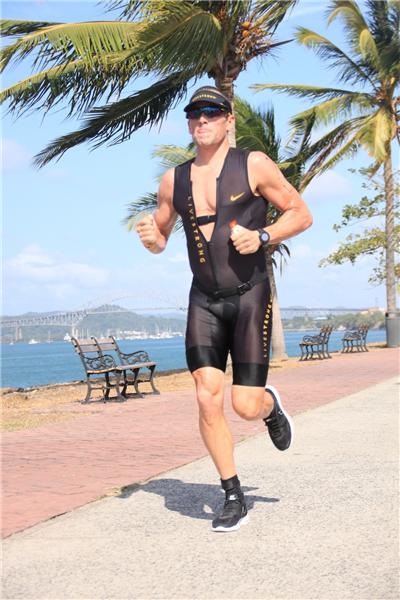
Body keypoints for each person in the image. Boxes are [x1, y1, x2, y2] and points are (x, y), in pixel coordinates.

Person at [136, 86, 313, 532]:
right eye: (194, 112)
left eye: (212, 112)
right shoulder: (173, 180)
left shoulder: (253, 164)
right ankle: (232, 494)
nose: (202, 119)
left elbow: (301, 212)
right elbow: (160, 236)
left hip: (250, 296)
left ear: (228, 120)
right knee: (205, 394)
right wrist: (152, 239)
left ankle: (269, 408)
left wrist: (264, 236)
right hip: (204, 300)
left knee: (245, 405)